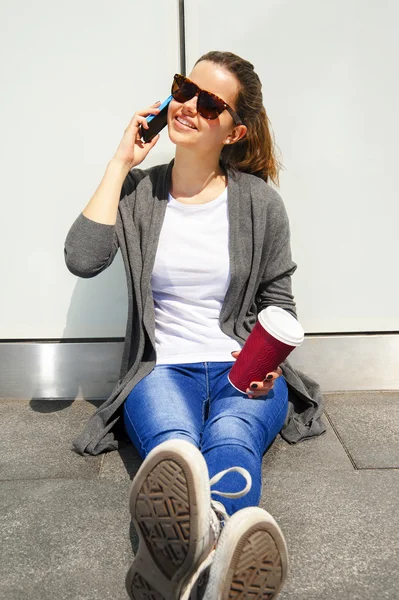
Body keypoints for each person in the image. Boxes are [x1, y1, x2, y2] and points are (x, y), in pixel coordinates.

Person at [64, 50, 325, 599]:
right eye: (184, 89)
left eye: (210, 105)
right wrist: (120, 163)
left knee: (233, 436)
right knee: (177, 453)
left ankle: (183, 562)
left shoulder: (260, 204)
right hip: (163, 369)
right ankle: (223, 550)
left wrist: (269, 366)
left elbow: (281, 304)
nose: (188, 106)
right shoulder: (138, 193)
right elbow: (83, 259)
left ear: (234, 132)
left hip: (242, 369)